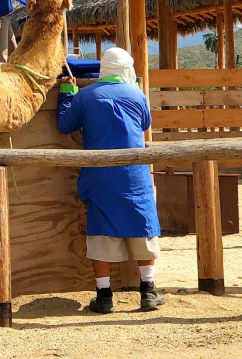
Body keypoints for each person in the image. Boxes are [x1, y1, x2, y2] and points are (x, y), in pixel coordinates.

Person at [56, 47, 165, 313]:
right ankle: (148, 291)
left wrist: (67, 93)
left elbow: (64, 125)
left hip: (100, 174)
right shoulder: (137, 94)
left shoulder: (85, 96)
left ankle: (104, 295)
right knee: (142, 225)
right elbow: (144, 124)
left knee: (101, 229)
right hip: (134, 173)